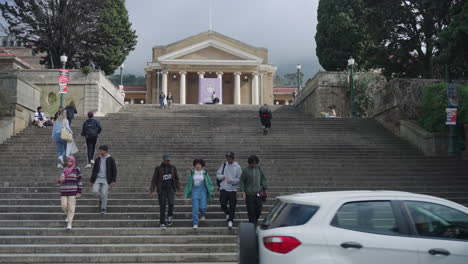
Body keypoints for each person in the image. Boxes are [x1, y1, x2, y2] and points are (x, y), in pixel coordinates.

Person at [150, 154, 181, 228]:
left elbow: (176, 178)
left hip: (171, 189)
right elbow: (154, 180)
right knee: (162, 206)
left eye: (169, 160)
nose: (168, 161)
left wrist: (178, 189)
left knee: (171, 203)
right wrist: (152, 190)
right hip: (162, 190)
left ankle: (170, 215)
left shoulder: (173, 168)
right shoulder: (158, 168)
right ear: (163, 160)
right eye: (166, 160)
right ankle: (162, 222)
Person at [184, 159, 214, 229]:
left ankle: (202, 214)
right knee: (195, 208)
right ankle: (195, 223)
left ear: (202, 165)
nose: (198, 166)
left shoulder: (205, 173)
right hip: (195, 190)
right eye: (197, 164)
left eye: (199, 164)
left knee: (203, 207)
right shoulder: (192, 173)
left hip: (203, 190)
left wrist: (211, 191)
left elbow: (210, 183)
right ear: (195, 165)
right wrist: (186, 191)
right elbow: (188, 183)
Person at [216, 151, 241, 229]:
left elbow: (239, 178)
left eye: (230, 158)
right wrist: (222, 177)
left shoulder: (237, 167)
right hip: (223, 188)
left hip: (232, 189)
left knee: (232, 205)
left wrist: (233, 181)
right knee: (222, 203)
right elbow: (218, 174)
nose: (228, 160)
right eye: (227, 158)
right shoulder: (224, 165)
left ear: (233, 158)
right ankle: (228, 213)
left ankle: (230, 220)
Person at [240, 155, 267, 225]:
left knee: (258, 210)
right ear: (250, 163)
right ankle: (253, 225)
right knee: (251, 211)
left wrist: (264, 187)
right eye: (253, 163)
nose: (254, 165)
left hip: (258, 194)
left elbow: (263, 179)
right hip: (249, 195)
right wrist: (243, 191)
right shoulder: (245, 170)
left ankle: (254, 222)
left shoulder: (259, 169)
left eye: (255, 163)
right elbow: (242, 181)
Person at [90, 145, 117, 214]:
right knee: (95, 191)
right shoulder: (98, 159)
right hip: (98, 178)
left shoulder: (110, 159)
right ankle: (101, 198)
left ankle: (103, 208)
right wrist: (92, 180)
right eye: (100, 150)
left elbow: (114, 170)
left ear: (105, 151)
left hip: (106, 179)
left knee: (104, 194)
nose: (100, 151)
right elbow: (94, 170)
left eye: (101, 150)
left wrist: (113, 180)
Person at [57, 155, 82, 230]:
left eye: (71, 161)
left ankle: (69, 223)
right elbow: (60, 181)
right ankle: (68, 216)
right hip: (64, 191)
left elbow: (79, 181)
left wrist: (79, 191)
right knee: (63, 205)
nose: (69, 162)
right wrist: (59, 180)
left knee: (71, 208)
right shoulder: (63, 170)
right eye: (68, 161)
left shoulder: (76, 169)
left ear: (73, 161)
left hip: (73, 191)